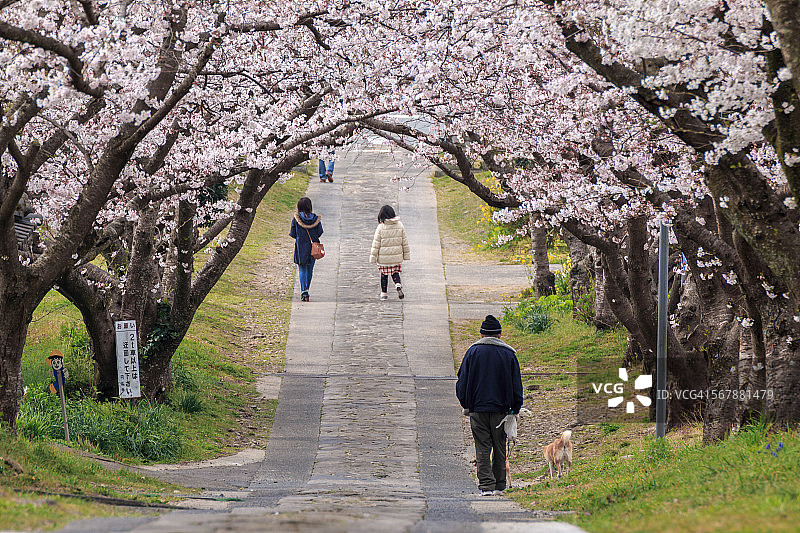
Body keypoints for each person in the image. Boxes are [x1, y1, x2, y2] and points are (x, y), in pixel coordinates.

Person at [456, 315, 523, 496]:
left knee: (482, 447)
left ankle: (486, 486)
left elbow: (461, 382)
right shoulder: (509, 354)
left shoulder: (472, 352)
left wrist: (466, 404)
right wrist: (515, 408)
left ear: (482, 334)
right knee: (499, 446)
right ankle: (500, 485)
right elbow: (517, 385)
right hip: (501, 411)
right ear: (500, 334)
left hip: (477, 409)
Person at [369, 205, 410, 300]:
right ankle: (398, 284)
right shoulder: (400, 225)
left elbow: (376, 244)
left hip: (383, 258)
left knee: (384, 275)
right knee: (395, 273)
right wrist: (406, 255)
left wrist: (373, 257)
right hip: (396, 257)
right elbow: (404, 241)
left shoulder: (380, 227)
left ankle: (384, 294)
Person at [290, 197, 323, 302]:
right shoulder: (316, 219)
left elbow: (293, 233)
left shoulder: (296, 219)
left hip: (301, 247)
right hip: (313, 247)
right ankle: (306, 289)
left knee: (302, 269)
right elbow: (320, 232)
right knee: (310, 269)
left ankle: (304, 291)